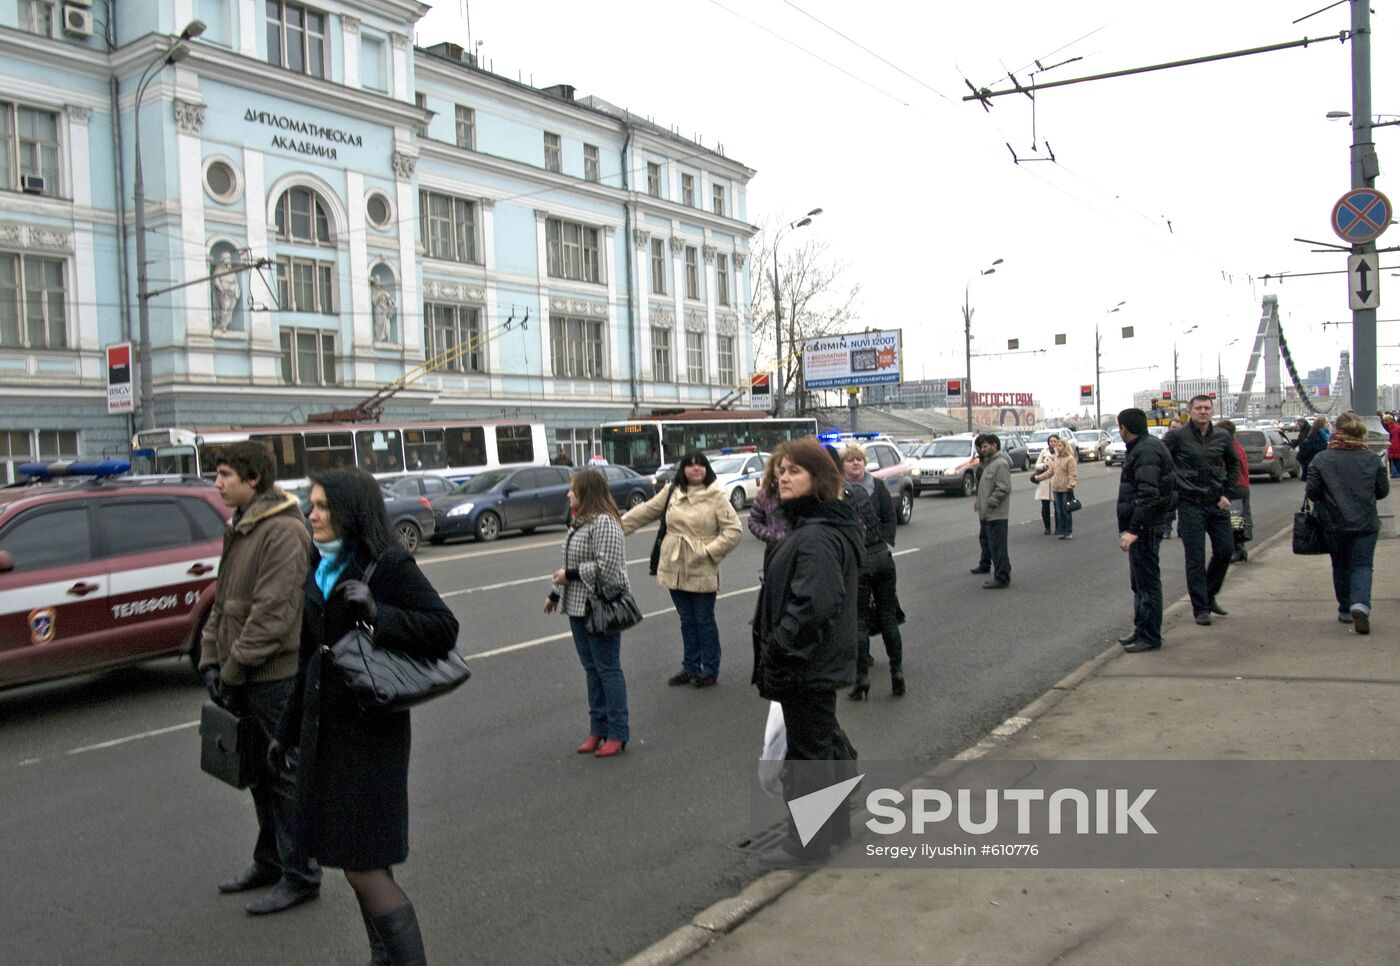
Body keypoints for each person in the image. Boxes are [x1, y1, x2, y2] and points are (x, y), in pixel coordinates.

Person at [276, 468, 458, 964]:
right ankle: (384, 956)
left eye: (322, 506)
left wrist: (379, 613)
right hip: (327, 733)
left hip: (371, 734)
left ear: (350, 511)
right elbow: (308, 657)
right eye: (311, 505)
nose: (311, 514)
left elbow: (443, 628)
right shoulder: (320, 564)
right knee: (361, 857)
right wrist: (286, 732)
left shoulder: (388, 564)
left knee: (361, 864)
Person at [198, 441, 320, 915]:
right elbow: (223, 602)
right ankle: (270, 861)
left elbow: (273, 616)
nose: (216, 483)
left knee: (283, 776)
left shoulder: (283, 531)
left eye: (224, 474)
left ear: (254, 479)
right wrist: (210, 660)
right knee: (256, 775)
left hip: (274, 677)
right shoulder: (243, 525)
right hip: (244, 673)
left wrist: (230, 670)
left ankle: (301, 874)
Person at [750, 437, 862, 867]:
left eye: (794, 471)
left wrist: (779, 645)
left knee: (808, 757)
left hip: (806, 664)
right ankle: (835, 830)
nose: (782, 478)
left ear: (818, 478)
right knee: (823, 746)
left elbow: (814, 604)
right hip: (813, 661)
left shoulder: (815, 535)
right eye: (780, 471)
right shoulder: (815, 526)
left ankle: (807, 846)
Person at [621, 449, 742, 686]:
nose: (696, 468)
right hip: (674, 564)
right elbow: (646, 511)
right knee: (687, 619)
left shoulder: (716, 495)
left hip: (702, 565)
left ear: (707, 469)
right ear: (683, 469)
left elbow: (734, 530)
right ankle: (690, 666)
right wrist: (615, 526)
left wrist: (707, 551)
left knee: (703, 619)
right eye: (690, 464)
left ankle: (709, 669)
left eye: (700, 464)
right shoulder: (672, 491)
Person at [545, 469, 631, 758]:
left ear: (587, 492)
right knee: (592, 670)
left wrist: (569, 576)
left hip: (601, 607)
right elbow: (568, 563)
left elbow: (608, 568)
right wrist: (555, 594)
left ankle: (617, 732)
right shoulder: (579, 522)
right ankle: (598, 729)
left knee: (607, 669)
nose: (568, 493)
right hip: (578, 607)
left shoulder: (605, 523)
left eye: (573, 489)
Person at [1306, 412, 1390, 635]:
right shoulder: (1372, 458)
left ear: (1336, 431)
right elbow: (1382, 491)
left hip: (1333, 523)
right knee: (1362, 565)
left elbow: (1313, 491)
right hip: (1366, 522)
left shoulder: (1321, 459)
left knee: (1340, 565)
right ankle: (1360, 605)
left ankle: (1344, 609)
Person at [1164, 395, 1242, 626]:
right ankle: (1201, 608)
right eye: (1198, 408)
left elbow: (1234, 463)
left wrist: (1228, 493)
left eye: (1207, 408)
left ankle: (1209, 594)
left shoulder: (1222, 436)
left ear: (1212, 411)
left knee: (1225, 550)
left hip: (1217, 503)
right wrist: (1173, 490)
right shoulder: (1177, 436)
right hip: (1190, 504)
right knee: (1195, 558)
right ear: (1190, 411)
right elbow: (1162, 461)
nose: (1203, 411)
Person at [838, 444, 904, 699]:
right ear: (843, 465)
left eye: (859, 459)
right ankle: (896, 673)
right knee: (885, 617)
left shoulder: (873, 487)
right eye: (850, 460)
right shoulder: (840, 489)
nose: (856, 463)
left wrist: (886, 544)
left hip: (868, 560)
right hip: (878, 559)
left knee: (862, 620)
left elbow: (890, 518)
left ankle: (863, 679)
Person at [1115, 408, 1177, 653]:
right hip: (1145, 525)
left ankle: (1150, 635)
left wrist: (1133, 530)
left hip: (1146, 527)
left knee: (1147, 583)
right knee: (1139, 583)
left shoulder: (1146, 450)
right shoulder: (1143, 447)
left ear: (1124, 428)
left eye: (1120, 427)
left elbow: (1148, 495)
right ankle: (1142, 629)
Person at [970, 434, 1012, 589]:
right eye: (981, 447)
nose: (982, 449)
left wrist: (990, 503)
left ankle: (1001, 578)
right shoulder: (989, 464)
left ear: (994, 445)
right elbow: (985, 488)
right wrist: (979, 502)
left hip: (996, 514)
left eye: (985, 446)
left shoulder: (1000, 464)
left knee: (998, 547)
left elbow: (1004, 488)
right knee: (994, 546)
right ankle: (1003, 570)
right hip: (987, 514)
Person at [1216, 420, 1253, 562]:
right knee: (1239, 518)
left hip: (1235, 487)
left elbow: (1226, 469)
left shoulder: (1229, 448)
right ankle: (1240, 549)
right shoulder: (1237, 446)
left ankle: (1237, 550)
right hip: (1242, 486)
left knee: (1234, 520)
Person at [746, 455, 789, 558]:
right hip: (775, 552)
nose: (784, 473)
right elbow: (753, 521)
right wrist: (770, 535)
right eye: (780, 468)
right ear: (772, 469)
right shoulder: (765, 494)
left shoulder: (802, 492)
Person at [1048, 434, 1078, 540]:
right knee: (1059, 511)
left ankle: (1068, 531)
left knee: (1066, 511)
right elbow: (1051, 471)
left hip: (1065, 488)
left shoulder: (1070, 459)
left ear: (1065, 447)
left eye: (1060, 446)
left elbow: (1072, 474)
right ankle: (1061, 530)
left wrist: (1071, 484)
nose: (1057, 447)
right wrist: (1038, 477)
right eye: (1057, 446)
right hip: (1056, 488)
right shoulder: (1056, 458)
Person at [1030, 436, 1056, 535]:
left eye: (1054, 441)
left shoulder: (1060, 452)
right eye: (1051, 441)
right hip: (1044, 482)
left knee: (1058, 507)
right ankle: (1047, 527)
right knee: (1045, 507)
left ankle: (1059, 527)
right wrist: (1044, 466)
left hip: (1056, 481)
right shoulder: (1044, 452)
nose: (1052, 443)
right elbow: (1037, 465)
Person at [212, 251, 241, 333]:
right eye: (226, 258)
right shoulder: (218, 269)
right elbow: (216, 280)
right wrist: (221, 289)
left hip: (232, 292)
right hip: (223, 293)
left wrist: (235, 291)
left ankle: (224, 324)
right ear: (222, 259)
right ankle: (222, 325)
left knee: (229, 309)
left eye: (229, 258)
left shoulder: (231, 271)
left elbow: (235, 281)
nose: (228, 260)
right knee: (225, 308)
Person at [1296, 415, 1330, 481]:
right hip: (1315, 463)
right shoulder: (1315, 435)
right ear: (1322, 424)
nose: (1328, 424)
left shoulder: (1326, 434)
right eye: (1326, 422)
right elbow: (1311, 448)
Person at [1380, 411, 1400, 478]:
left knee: (1391, 462)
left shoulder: (1383, 428)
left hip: (1389, 446)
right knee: (1397, 462)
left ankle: (1394, 473)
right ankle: (1395, 473)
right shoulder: (1397, 427)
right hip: (1397, 447)